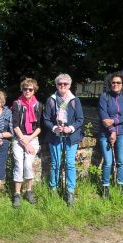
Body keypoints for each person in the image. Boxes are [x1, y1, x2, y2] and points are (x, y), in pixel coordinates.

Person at [43, 73, 84, 206]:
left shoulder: (74, 100)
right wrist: (55, 128)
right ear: (56, 85)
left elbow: (80, 119)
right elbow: (46, 119)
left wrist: (70, 128)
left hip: (71, 136)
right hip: (55, 136)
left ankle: (70, 191)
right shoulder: (51, 100)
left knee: (70, 163)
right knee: (56, 163)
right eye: (60, 84)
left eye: (65, 84)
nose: (62, 86)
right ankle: (53, 188)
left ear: (69, 85)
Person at [98, 74, 123, 198]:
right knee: (108, 161)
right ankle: (105, 186)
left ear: (122, 84)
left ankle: (120, 185)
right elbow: (103, 116)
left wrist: (114, 121)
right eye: (113, 82)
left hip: (122, 133)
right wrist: (112, 130)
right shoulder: (104, 97)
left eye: (118, 82)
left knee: (121, 161)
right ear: (110, 84)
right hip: (105, 133)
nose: (115, 84)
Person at [12, 78, 42, 208]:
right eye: (25, 89)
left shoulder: (39, 105)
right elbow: (15, 125)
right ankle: (17, 194)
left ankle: (29, 191)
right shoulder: (17, 104)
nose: (27, 91)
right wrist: (25, 142)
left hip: (32, 138)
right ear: (22, 90)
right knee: (19, 163)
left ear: (34, 90)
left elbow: (40, 127)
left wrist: (29, 140)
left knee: (28, 164)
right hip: (19, 138)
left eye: (30, 89)